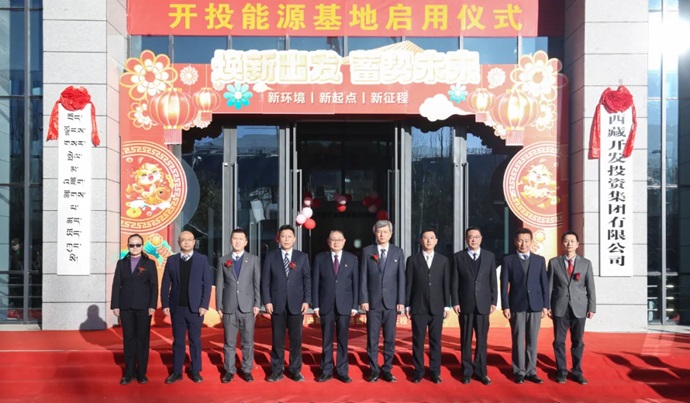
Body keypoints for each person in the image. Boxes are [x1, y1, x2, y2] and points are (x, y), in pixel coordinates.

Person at [161, 231, 212, 384]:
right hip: (177, 308)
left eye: (189, 240)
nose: (187, 242)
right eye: (183, 240)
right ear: (178, 242)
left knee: (195, 340)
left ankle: (195, 370)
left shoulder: (202, 260)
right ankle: (177, 371)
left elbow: (207, 284)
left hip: (195, 308)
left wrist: (204, 305)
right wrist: (165, 303)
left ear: (194, 242)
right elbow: (165, 283)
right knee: (178, 341)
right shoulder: (172, 260)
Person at [261, 224, 311, 382]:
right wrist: (267, 301)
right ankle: (277, 370)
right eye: (283, 236)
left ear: (294, 239)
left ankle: (295, 370)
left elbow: (307, 280)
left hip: (297, 303)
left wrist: (307, 300)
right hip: (277, 303)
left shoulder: (302, 257)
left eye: (289, 236)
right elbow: (265, 281)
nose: (286, 239)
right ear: (278, 239)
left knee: (296, 340)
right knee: (277, 339)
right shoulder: (271, 256)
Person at [500, 228, 549, 384]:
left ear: (531, 242)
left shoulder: (539, 260)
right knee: (518, 339)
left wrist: (545, 305)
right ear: (515, 241)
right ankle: (519, 371)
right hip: (516, 304)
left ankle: (531, 371)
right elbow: (504, 285)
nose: (523, 244)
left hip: (535, 305)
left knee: (532, 340)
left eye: (526, 241)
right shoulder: (508, 260)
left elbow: (544, 284)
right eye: (520, 240)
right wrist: (505, 306)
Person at [547, 230, 596, 385]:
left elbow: (590, 287)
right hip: (559, 306)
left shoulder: (586, 263)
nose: (569, 244)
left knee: (578, 341)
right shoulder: (554, 262)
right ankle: (561, 370)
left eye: (572, 241)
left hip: (579, 307)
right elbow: (549, 286)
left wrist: (592, 307)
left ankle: (577, 371)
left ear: (577, 244)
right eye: (566, 241)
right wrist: (547, 306)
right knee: (559, 341)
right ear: (562, 244)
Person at [359, 220, 405, 383]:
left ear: (390, 234)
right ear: (375, 233)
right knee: (372, 339)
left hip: (391, 302)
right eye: (379, 232)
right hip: (373, 302)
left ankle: (387, 369)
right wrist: (364, 298)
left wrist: (401, 300)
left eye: (385, 232)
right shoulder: (367, 251)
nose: (382, 234)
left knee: (389, 338)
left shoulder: (397, 252)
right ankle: (373, 370)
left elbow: (401, 278)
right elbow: (363, 276)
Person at [451, 226, 497, 385]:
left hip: (484, 304)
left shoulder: (489, 256)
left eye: (476, 237)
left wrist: (493, 301)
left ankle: (481, 372)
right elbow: (454, 281)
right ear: (466, 239)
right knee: (466, 340)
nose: (473, 239)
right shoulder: (458, 257)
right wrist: (455, 301)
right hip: (465, 304)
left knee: (482, 340)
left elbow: (493, 280)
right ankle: (466, 372)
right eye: (470, 237)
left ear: (481, 238)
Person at [110, 234, 158, 385]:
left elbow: (154, 286)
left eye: (138, 245)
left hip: (144, 307)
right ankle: (128, 373)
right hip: (126, 307)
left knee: (142, 340)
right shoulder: (121, 263)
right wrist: (115, 305)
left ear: (142, 246)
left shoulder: (149, 263)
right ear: (128, 246)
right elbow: (116, 285)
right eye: (132, 245)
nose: (135, 248)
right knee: (128, 339)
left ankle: (142, 373)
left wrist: (152, 305)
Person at [312, 230, 359, 383]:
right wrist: (316, 305)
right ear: (328, 241)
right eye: (333, 239)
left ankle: (342, 371)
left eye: (339, 239)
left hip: (345, 305)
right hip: (326, 304)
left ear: (344, 241)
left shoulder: (352, 259)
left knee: (342, 340)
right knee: (326, 340)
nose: (336, 242)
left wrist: (354, 306)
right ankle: (326, 371)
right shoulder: (320, 258)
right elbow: (315, 283)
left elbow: (356, 284)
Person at [216, 228, 261, 383]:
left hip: (247, 306)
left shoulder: (253, 259)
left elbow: (256, 283)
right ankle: (229, 370)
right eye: (235, 238)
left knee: (247, 341)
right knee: (229, 342)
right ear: (231, 241)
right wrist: (219, 305)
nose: (237, 241)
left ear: (246, 242)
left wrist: (257, 303)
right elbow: (220, 283)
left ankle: (247, 369)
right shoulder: (223, 260)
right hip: (229, 307)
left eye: (241, 239)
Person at [405, 228, 450, 384]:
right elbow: (409, 284)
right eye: (425, 238)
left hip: (437, 307)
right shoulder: (412, 260)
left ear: (436, 241)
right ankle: (418, 371)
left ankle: (435, 372)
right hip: (418, 306)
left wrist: (447, 306)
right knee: (418, 341)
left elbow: (446, 284)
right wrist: (407, 304)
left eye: (432, 238)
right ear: (420, 241)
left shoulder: (443, 260)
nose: (429, 240)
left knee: (436, 341)